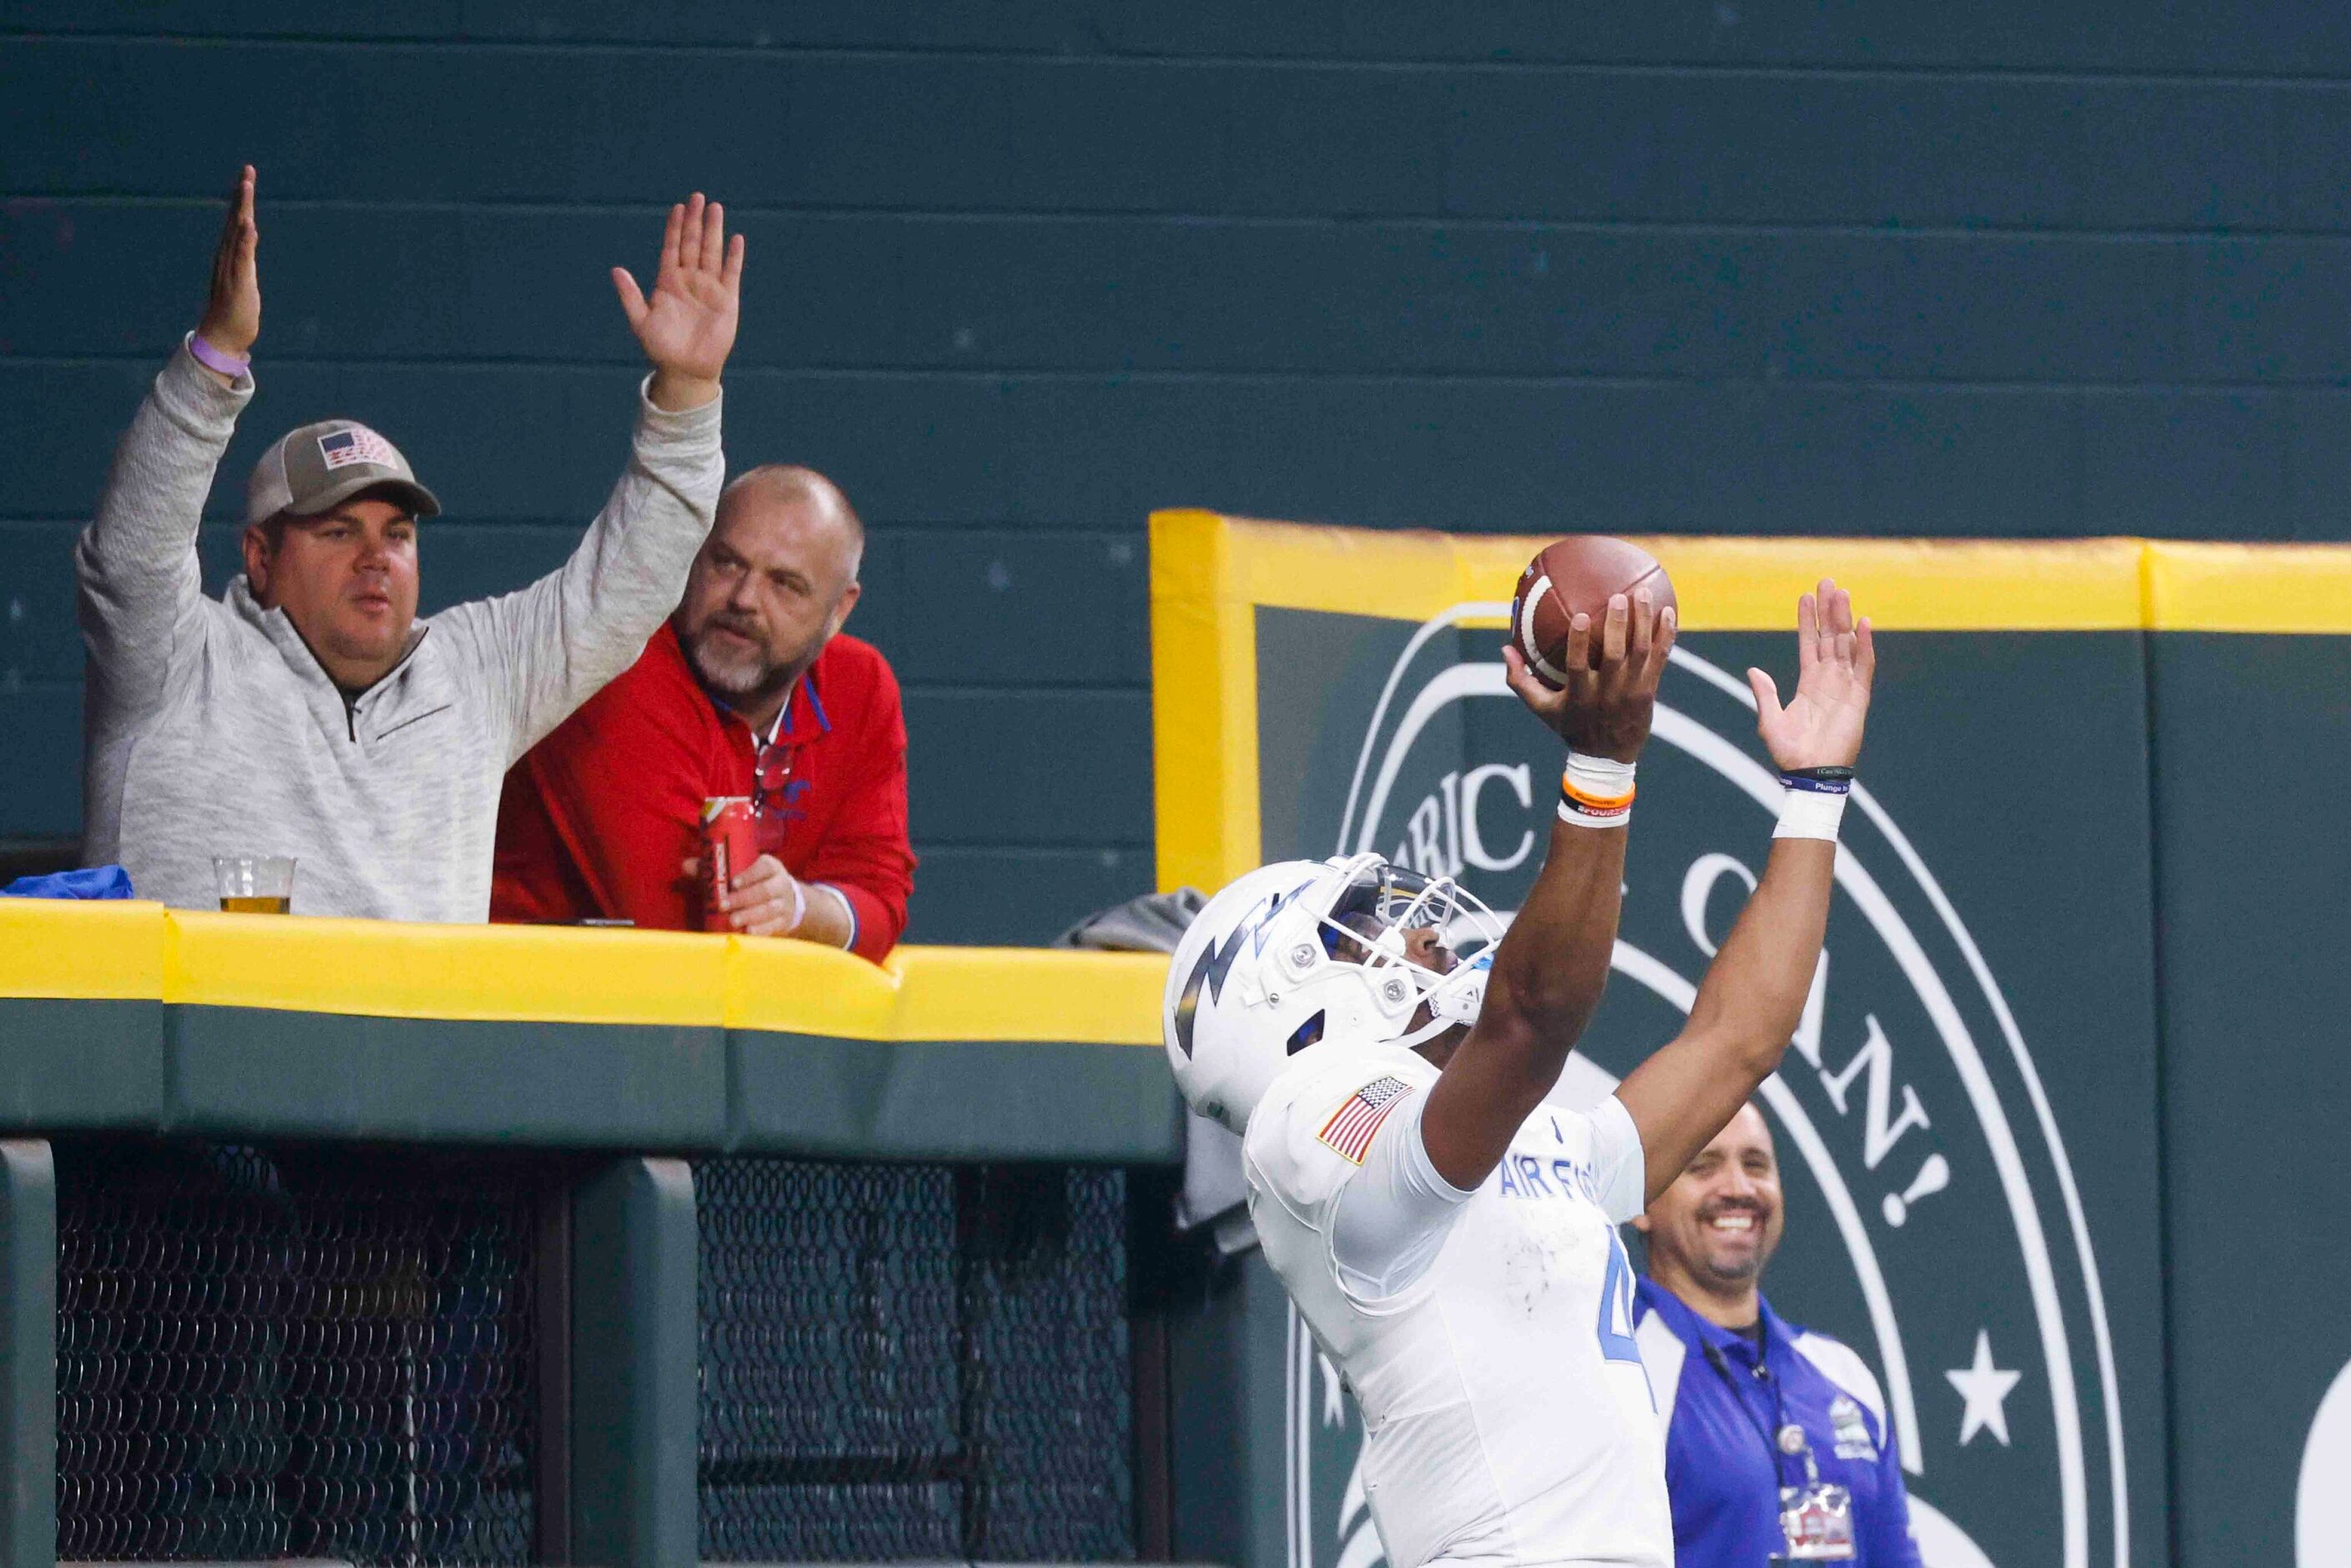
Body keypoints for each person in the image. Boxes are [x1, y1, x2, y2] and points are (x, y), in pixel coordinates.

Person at [1165, 580, 1874, 1568]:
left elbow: (1737, 1041)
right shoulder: (1304, 1128)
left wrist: (1813, 794)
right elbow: (1530, 1020)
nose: (1410, 929)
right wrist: (1601, 763)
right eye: (1365, 924)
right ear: (1286, 992)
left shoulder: (1538, 1148)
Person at [77, 166, 743, 921]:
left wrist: (688, 392)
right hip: (190, 1037)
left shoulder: (475, 674)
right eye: (337, 531)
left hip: (412, 1041)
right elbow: (130, 552)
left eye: (397, 534)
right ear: (261, 557)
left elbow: (628, 587)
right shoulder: (176, 661)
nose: (376, 558)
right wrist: (216, 359)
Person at [490, 465, 913, 957]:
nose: (744, 600)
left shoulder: (859, 686)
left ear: (840, 610)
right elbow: (679, 937)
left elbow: (881, 901)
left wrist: (800, 908)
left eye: (786, 584)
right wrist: (805, 922)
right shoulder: (620, 667)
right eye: (727, 563)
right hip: (524, 1008)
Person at [1632, 1103, 1923, 1566]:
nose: (1738, 1188)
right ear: (1641, 1204)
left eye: (1755, 1165)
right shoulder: (1620, 1371)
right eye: (1702, 1166)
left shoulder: (1845, 1376)